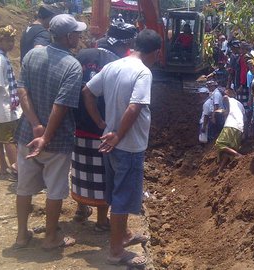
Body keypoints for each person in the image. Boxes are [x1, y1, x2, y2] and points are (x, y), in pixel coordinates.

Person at [83, 29, 162, 267]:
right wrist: (118, 134)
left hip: (111, 142)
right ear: (156, 52)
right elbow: (134, 107)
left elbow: (87, 91)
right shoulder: (143, 72)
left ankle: (124, 235)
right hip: (128, 146)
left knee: (116, 192)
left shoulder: (114, 66)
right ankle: (116, 252)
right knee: (122, 198)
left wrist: (100, 123)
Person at [14, 14, 86, 250]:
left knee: (23, 187)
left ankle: (22, 235)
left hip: (27, 135)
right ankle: (50, 238)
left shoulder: (32, 54)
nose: (79, 36)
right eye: (77, 33)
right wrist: (45, 136)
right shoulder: (72, 66)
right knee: (55, 189)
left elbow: (22, 90)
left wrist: (35, 124)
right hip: (56, 141)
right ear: (68, 37)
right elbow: (61, 105)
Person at [70, 22, 137, 231]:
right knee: (104, 176)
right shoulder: (118, 63)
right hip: (104, 129)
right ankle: (101, 221)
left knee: (80, 169)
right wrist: (104, 123)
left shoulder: (82, 55)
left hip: (78, 124)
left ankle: (81, 210)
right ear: (123, 44)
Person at [0, 25, 22, 177]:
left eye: (12, 40)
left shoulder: (2, 57)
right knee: (9, 140)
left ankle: (3, 167)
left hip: (6, 104)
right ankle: (17, 171)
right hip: (3, 106)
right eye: (7, 40)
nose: (11, 43)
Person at [215, 89, 245, 172]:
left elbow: (225, 98)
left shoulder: (229, 99)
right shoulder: (240, 105)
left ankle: (238, 155)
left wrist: (222, 111)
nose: (225, 94)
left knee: (219, 143)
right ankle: (220, 169)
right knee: (229, 149)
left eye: (226, 92)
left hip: (231, 125)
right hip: (239, 128)